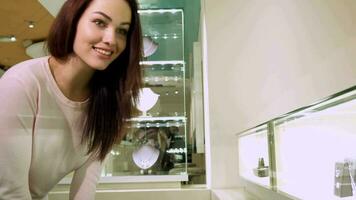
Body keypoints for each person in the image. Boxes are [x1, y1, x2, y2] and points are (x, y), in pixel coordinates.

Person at [0, 0, 142, 199]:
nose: (111, 39)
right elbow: (11, 193)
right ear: (72, 21)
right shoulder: (22, 83)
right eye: (100, 22)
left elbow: (84, 192)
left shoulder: (107, 103)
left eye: (122, 31)